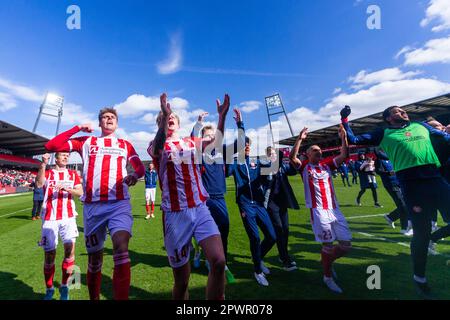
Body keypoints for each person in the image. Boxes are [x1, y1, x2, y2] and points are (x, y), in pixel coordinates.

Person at [340, 104, 450, 299]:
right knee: (422, 234)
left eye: (402, 110)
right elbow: (354, 139)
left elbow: (445, 137)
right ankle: (420, 279)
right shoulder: (383, 132)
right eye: (396, 111)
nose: (402, 112)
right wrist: (345, 120)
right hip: (412, 184)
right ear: (388, 118)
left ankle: (434, 240)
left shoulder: (421, 126)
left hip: (435, 178)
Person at [45, 107, 145, 300]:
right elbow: (51, 146)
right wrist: (77, 128)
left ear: (116, 123)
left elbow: (139, 167)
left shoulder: (125, 144)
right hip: (93, 207)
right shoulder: (86, 142)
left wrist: (134, 175)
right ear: (99, 123)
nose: (108, 119)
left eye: (112, 117)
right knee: (94, 259)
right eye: (105, 117)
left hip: (119, 204)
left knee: (121, 247)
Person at [148, 93, 227, 300]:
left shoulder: (191, 142)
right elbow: (157, 149)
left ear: (179, 122)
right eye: (165, 117)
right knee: (182, 282)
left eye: (172, 116)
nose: (170, 118)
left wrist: (222, 117)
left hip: (200, 208)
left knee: (218, 262)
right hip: (175, 215)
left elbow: (217, 142)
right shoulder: (156, 144)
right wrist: (163, 118)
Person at [289, 125, 352, 293]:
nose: (319, 152)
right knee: (328, 246)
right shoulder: (304, 167)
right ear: (307, 154)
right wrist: (300, 139)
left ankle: (327, 262)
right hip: (318, 212)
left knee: (346, 245)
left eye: (320, 150)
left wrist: (343, 137)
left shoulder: (327, 166)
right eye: (315, 150)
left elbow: (344, 155)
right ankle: (327, 277)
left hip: (335, 210)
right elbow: (292, 157)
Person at [190, 109, 245, 284]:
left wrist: (239, 124)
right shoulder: (199, 153)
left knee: (224, 231)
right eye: (207, 136)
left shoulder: (222, 151)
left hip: (219, 198)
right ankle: (200, 252)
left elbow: (241, 144)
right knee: (203, 233)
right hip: (204, 200)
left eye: (213, 135)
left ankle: (222, 263)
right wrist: (198, 124)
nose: (211, 137)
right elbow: (192, 139)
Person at [226, 122, 277, 287]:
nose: (247, 147)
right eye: (244, 144)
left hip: (259, 205)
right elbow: (226, 172)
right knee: (254, 237)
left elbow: (270, 170)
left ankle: (258, 258)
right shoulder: (235, 162)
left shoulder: (256, 161)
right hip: (246, 206)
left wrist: (273, 160)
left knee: (271, 236)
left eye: (248, 144)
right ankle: (257, 271)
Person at [36, 152, 83, 300]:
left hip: (68, 217)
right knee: (50, 255)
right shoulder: (48, 173)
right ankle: (49, 288)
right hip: (50, 218)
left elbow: (80, 192)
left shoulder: (73, 174)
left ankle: (64, 286)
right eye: (62, 155)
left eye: (67, 155)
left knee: (70, 252)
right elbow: (38, 184)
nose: (65, 157)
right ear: (55, 158)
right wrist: (43, 163)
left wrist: (67, 189)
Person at [264, 146, 299, 271]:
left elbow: (295, 170)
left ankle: (281, 255)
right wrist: (279, 154)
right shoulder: (265, 167)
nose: (274, 156)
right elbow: (273, 169)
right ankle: (285, 259)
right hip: (271, 203)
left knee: (285, 229)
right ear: (268, 156)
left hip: (283, 202)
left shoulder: (283, 167)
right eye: (271, 154)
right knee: (278, 230)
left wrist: (297, 160)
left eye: (274, 154)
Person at [375, 149, 412, 235]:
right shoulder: (379, 160)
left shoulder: (391, 158)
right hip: (390, 184)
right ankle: (404, 228)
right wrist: (389, 173)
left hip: (398, 182)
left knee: (405, 204)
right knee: (402, 205)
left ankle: (390, 217)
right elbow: (378, 171)